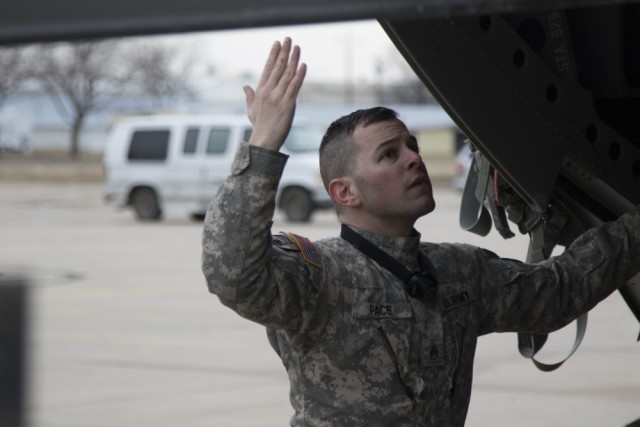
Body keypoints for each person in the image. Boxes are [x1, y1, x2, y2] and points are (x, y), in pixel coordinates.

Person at [201, 38, 640, 426]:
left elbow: (558, 291)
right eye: (389, 154)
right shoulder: (321, 277)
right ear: (345, 192)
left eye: (412, 146)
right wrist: (263, 146)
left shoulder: (458, 270)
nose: (414, 159)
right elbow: (234, 274)